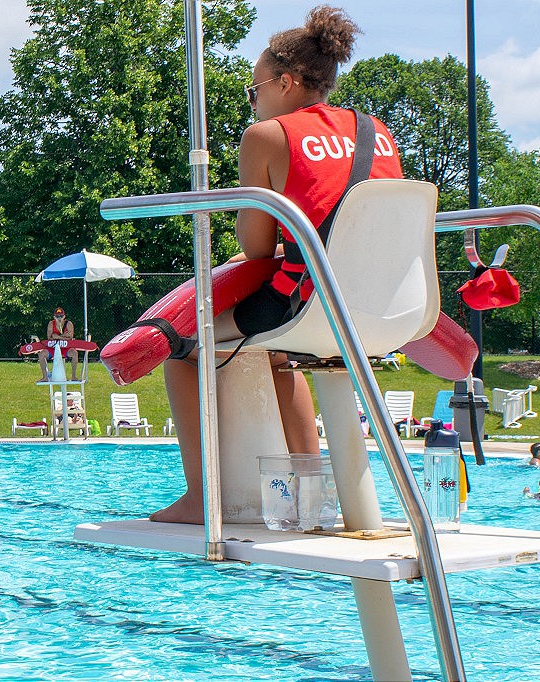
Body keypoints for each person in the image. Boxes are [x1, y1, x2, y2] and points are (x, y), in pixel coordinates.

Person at [152, 5, 403, 524]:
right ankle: (311, 493)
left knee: (181, 347)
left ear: (285, 83)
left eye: (255, 89)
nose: (253, 102)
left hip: (306, 304)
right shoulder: (380, 133)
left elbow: (258, 247)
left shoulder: (267, 136)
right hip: (385, 306)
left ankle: (203, 496)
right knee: (278, 354)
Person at [37, 307, 79, 382]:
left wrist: (57, 337)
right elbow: (49, 337)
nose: (59, 318)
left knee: (75, 353)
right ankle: (45, 377)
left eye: (61, 316)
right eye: (57, 317)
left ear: (64, 316)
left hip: (66, 348)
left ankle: (74, 376)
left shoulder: (69, 324)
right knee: (41, 354)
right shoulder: (51, 324)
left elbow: (70, 338)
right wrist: (64, 336)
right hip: (53, 348)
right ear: (54, 317)